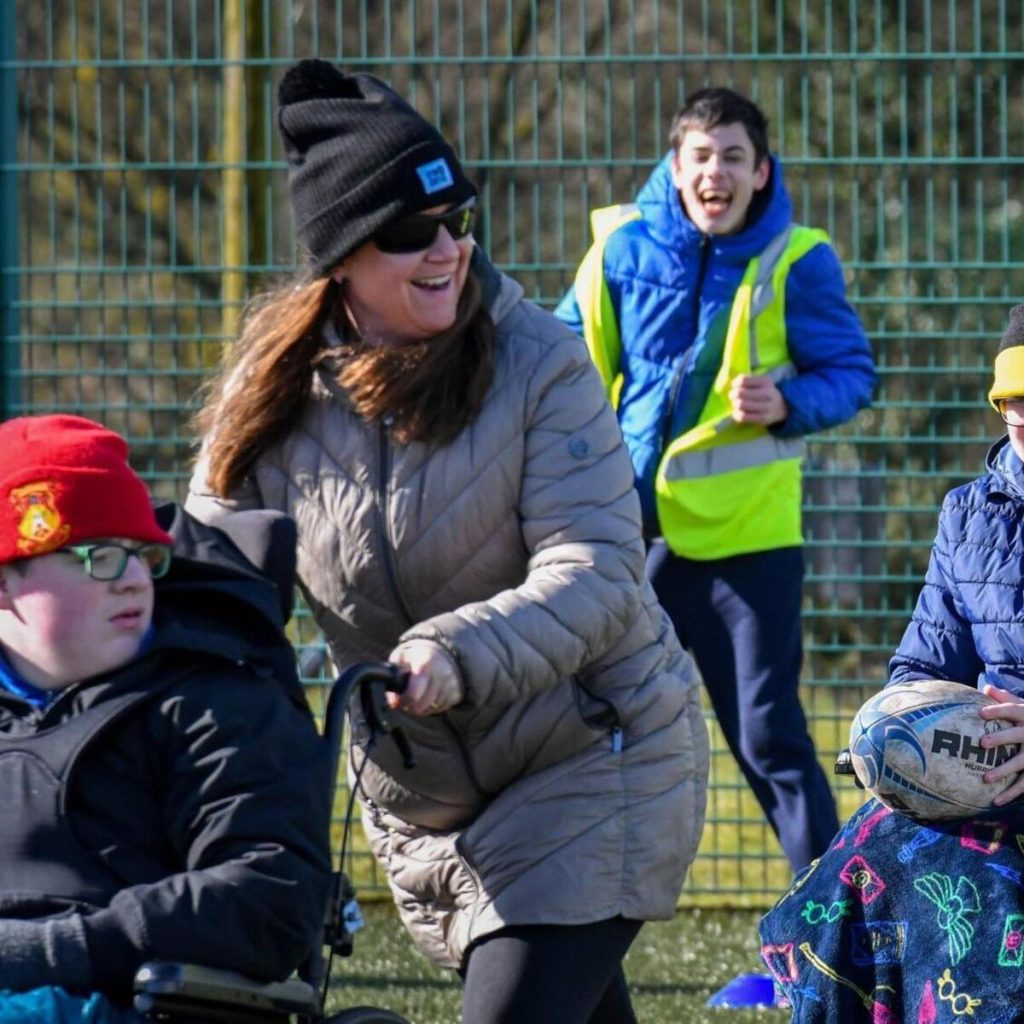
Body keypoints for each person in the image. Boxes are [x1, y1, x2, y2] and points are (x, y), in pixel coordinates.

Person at [185, 58, 709, 1024]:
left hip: (596, 757)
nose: (446, 250)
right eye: (408, 232)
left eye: (459, 220)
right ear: (337, 256)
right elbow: (207, 597)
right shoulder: (268, 398)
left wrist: (451, 652)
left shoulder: (542, 362)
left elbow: (596, 571)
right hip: (431, 802)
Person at [555, 86, 877, 872]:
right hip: (632, 539)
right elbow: (561, 360)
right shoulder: (620, 248)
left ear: (762, 172)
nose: (716, 172)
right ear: (675, 165)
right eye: (701, 155)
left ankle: (837, 921)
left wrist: (788, 402)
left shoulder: (798, 258)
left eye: (734, 156)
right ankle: (578, 913)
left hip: (750, 546)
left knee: (771, 737)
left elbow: (853, 373)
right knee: (590, 732)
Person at [0, 413, 333, 1023]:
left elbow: (272, 895)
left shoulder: (216, 700)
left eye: (142, 555)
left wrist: (57, 950)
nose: (131, 581)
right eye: (96, 556)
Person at [758, 305, 1024, 1022]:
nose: (1023, 414)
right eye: (1013, 397)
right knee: (856, 865)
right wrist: (907, 728)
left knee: (984, 919)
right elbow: (922, 661)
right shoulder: (969, 515)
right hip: (987, 780)